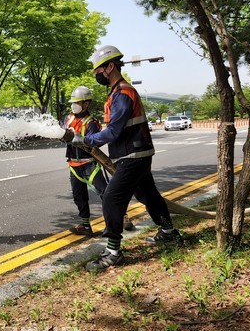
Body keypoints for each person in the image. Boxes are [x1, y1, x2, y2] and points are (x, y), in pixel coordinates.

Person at [70, 45, 181, 271]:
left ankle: (113, 251)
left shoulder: (123, 93)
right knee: (148, 195)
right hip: (134, 154)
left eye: (98, 71)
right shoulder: (116, 93)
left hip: (133, 155)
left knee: (111, 198)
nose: (97, 75)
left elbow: (113, 131)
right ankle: (169, 231)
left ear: (110, 67)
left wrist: (85, 140)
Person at [61, 86, 135, 237]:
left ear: (86, 104)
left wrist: (78, 140)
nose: (73, 105)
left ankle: (122, 217)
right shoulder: (68, 119)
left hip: (89, 164)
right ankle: (85, 225)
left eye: (78, 102)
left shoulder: (91, 122)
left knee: (106, 193)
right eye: (73, 102)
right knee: (79, 197)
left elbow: (94, 142)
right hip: (73, 165)